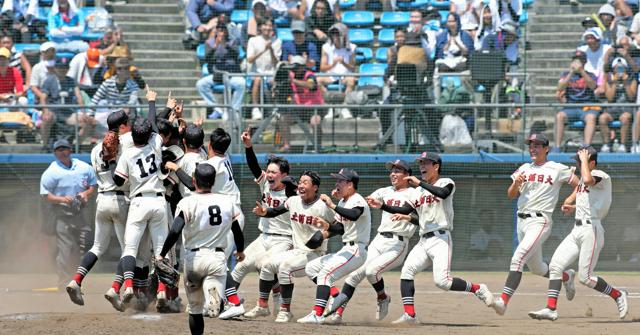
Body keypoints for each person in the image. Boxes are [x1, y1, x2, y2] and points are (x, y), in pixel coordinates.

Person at [388, 152, 493, 324]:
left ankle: (478, 288)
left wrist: (419, 183)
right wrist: (382, 206)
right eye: (420, 163)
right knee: (406, 272)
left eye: (426, 163)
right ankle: (410, 315)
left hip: (440, 238)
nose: (422, 166)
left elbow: (443, 193)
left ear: (436, 166)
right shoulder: (417, 192)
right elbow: (406, 210)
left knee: (442, 282)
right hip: (423, 240)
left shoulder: (446, 182)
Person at [528, 145, 629, 321]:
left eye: (581, 160)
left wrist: (583, 161)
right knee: (555, 266)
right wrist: (572, 205)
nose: (578, 163)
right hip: (577, 229)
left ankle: (618, 294)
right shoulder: (585, 178)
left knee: (586, 278)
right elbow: (585, 195)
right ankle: (551, 308)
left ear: (592, 162)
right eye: (578, 160)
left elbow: (588, 180)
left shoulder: (601, 176)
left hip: (592, 230)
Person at [491, 133, 580, 316]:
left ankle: (503, 302)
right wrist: (516, 184)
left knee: (518, 257)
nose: (533, 148)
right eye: (530, 145)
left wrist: (570, 200)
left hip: (540, 220)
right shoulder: (524, 168)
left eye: (537, 145)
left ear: (547, 149)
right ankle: (566, 276)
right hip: (521, 220)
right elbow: (510, 195)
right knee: (537, 268)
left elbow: (580, 185)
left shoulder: (556, 168)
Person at [322, 160, 419, 324]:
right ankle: (337, 315)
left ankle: (382, 298)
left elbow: (419, 219)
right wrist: (342, 194)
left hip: (398, 243)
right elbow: (359, 203)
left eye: (398, 171)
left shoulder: (414, 194)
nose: (393, 174)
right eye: (392, 171)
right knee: (354, 275)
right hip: (379, 239)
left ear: (407, 175)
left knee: (372, 271)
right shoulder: (384, 191)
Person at [156, 163, 245, 332]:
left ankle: (207, 303)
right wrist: (240, 250)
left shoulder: (187, 202)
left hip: (193, 259)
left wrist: (162, 254)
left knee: (195, 310)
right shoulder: (226, 201)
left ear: (194, 180)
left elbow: (175, 230)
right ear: (213, 181)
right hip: (216, 257)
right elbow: (237, 231)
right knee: (213, 282)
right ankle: (213, 297)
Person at [64, 110, 131, 308]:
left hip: (102, 200)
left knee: (98, 247)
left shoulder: (94, 149)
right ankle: (119, 288)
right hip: (121, 199)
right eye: (127, 124)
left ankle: (75, 281)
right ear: (122, 126)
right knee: (129, 249)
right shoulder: (125, 143)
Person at [252, 170, 336, 323]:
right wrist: (264, 212)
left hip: (315, 253)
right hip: (297, 251)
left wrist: (326, 229)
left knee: (285, 268)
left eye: (306, 182)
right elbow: (276, 211)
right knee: (267, 265)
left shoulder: (323, 206)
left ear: (315, 187)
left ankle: (285, 310)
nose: (301, 185)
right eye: (300, 182)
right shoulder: (293, 201)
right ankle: (263, 305)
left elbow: (339, 227)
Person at [235, 130, 296, 319]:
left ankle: (265, 304)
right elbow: (253, 166)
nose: (268, 175)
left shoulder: (292, 193)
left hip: (284, 240)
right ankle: (226, 302)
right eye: (268, 171)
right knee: (240, 266)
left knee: (264, 265)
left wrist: (266, 212)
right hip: (264, 237)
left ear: (284, 175)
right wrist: (248, 147)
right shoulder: (265, 185)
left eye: (273, 172)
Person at [297, 168, 371, 324]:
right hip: (347, 249)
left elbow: (354, 215)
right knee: (311, 268)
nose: (337, 183)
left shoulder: (358, 199)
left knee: (325, 274)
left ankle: (317, 314)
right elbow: (340, 228)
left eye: (340, 181)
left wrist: (332, 205)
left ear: (350, 184)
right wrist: (326, 227)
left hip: (356, 249)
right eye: (336, 180)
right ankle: (337, 296)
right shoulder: (343, 201)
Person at [112, 117, 169, 309]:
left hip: (138, 201)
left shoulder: (127, 154)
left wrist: (112, 161)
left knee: (130, 249)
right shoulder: (156, 143)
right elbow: (153, 126)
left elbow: (118, 182)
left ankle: (128, 287)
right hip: (159, 200)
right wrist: (152, 102)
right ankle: (162, 291)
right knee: (162, 251)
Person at [40, 139, 97, 290]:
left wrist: (85, 193)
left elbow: (93, 185)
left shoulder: (84, 167)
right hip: (62, 213)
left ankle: (76, 279)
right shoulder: (51, 172)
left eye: (64, 148)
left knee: (87, 244)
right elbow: (45, 195)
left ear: (70, 150)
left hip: (80, 213)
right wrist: (61, 199)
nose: (62, 152)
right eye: (59, 149)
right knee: (65, 248)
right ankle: (64, 282)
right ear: (54, 153)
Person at [196, 22, 245, 120]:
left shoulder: (233, 41)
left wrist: (226, 45)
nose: (221, 33)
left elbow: (237, 55)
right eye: (219, 31)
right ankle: (217, 109)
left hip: (230, 74)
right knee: (200, 84)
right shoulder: (209, 42)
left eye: (223, 30)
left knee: (242, 83)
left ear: (226, 31)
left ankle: (233, 110)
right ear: (216, 32)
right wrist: (215, 46)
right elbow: (206, 59)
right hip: (216, 75)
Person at [278, 55, 324, 152]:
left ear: (302, 67)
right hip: (299, 109)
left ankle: (317, 146)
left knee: (315, 122)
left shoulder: (310, 75)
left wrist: (294, 81)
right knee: (283, 118)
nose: (294, 70)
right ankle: (287, 145)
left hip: (313, 109)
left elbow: (310, 85)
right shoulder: (290, 76)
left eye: (297, 67)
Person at [554, 52, 598, 152]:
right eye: (575, 60)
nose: (577, 62)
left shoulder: (590, 75)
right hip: (571, 107)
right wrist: (571, 73)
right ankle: (557, 146)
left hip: (587, 107)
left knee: (591, 118)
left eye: (580, 60)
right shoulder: (565, 75)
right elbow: (560, 88)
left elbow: (593, 86)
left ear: (585, 62)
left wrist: (582, 71)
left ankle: (586, 148)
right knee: (560, 116)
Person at [91, 57, 141, 135]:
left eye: (128, 68)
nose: (128, 71)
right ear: (118, 70)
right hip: (109, 114)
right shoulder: (107, 82)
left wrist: (127, 107)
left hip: (125, 114)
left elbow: (132, 100)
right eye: (125, 68)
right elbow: (95, 99)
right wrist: (91, 115)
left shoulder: (133, 85)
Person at [318, 22, 355, 119]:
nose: (335, 37)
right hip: (331, 75)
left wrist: (343, 63)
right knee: (317, 80)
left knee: (351, 80)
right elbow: (322, 67)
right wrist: (333, 64)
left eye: (338, 34)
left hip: (345, 75)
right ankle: (330, 106)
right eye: (333, 34)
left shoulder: (352, 48)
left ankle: (344, 106)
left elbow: (352, 67)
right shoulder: (326, 47)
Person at [247, 19, 282, 120]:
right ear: (260, 27)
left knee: (275, 81)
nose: (267, 28)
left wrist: (271, 49)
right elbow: (249, 59)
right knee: (258, 79)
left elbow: (276, 62)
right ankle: (255, 108)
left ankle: (275, 109)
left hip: (271, 73)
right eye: (265, 25)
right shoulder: (253, 40)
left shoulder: (277, 41)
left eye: (270, 25)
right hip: (256, 73)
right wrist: (263, 50)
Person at [601, 56, 635, 153]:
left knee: (625, 118)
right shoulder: (609, 81)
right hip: (612, 110)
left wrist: (625, 83)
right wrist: (615, 83)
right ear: (613, 68)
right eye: (617, 67)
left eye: (621, 67)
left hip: (627, 109)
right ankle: (606, 144)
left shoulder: (632, 80)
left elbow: (631, 96)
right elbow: (610, 98)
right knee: (602, 118)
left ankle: (623, 145)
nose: (619, 69)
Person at [577, 28, 611, 96]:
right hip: (587, 77)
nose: (589, 41)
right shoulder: (582, 49)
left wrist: (602, 85)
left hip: (603, 78)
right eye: (587, 38)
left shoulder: (607, 48)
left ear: (598, 39)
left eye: (592, 38)